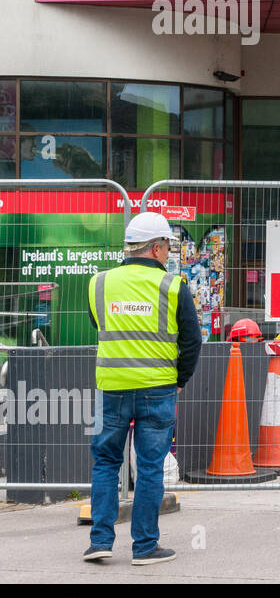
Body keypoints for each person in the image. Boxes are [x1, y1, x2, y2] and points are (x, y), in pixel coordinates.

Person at [84, 211, 202, 565]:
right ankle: (145, 546)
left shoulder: (99, 283)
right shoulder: (173, 287)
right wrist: (179, 379)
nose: (169, 253)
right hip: (158, 390)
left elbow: (100, 324)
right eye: (167, 246)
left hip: (111, 390)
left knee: (105, 461)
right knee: (150, 467)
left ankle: (100, 542)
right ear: (154, 248)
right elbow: (193, 341)